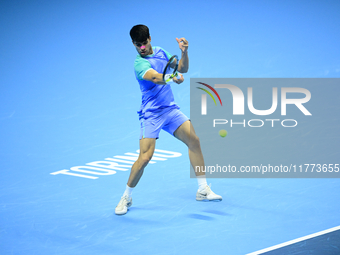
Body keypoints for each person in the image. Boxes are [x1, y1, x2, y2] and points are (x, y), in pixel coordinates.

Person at [115, 24, 222, 215]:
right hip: (151, 114)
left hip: (170, 110)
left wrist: (184, 52)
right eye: (137, 45)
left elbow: (183, 68)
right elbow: (156, 78)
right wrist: (173, 77)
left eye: (143, 43)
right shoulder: (139, 64)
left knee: (194, 141)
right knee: (145, 157)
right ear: (133, 44)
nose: (141, 48)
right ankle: (126, 197)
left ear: (150, 38)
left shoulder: (161, 52)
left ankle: (203, 189)